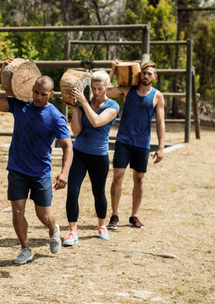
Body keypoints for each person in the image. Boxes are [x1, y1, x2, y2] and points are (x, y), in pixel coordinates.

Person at [0, 58, 73, 265]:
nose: (38, 97)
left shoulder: (55, 117)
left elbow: (68, 146)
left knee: (44, 216)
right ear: (32, 89)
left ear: (51, 95)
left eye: (43, 94)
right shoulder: (19, 106)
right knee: (17, 211)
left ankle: (53, 229)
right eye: (36, 92)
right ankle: (25, 248)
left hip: (40, 172)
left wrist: (64, 172)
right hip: (17, 169)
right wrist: (1, 75)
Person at [106, 60, 165, 230]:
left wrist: (161, 147)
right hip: (123, 141)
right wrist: (112, 71)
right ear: (140, 74)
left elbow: (160, 123)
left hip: (142, 144)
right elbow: (105, 92)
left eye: (149, 74)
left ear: (155, 76)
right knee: (117, 177)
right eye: (144, 73)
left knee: (138, 180)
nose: (146, 76)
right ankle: (114, 216)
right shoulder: (127, 90)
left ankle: (134, 216)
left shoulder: (157, 96)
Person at [63, 70, 119, 245]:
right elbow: (77, 132)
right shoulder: (83, 104)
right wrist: (76, 110)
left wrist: (84, 103)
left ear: (107, 87)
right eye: (93, 88)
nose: (96, 92)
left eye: (100, 89)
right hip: (79, 154)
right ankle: (73, 232)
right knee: (72, 191)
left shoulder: (113, 106)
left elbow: (96, 122)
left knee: (98, 192)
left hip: (99, 156)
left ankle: (101, 225)